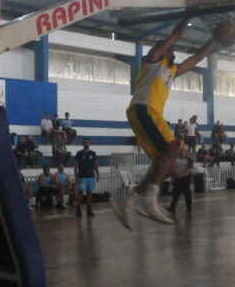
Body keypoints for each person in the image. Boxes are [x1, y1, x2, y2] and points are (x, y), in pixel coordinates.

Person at [112, 17, 219, 229]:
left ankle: (129, 200)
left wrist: (215, 41)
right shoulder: (153, 60)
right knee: (172, 149)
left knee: (163, 159)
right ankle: (150, 199)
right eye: (171, 49)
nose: (174, 52)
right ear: (161, 49)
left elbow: (197, 58)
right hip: (143, 108)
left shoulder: (172, 72)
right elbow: (175, 37)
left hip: (151, 114)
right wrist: (188, 15)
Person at [75, 138, 99, 217]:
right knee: (80, 193)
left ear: (89, 143)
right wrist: (76, 176)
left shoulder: (93, 153)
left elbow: (95, 165)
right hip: (82, 177)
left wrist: (97, 174)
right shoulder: (79, 153)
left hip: (91, 177)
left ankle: (89, 210)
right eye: (84, 142)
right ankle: (78, 209)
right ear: (82, 144)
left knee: (89, 193)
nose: (86, 144)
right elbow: (75, 166)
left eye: (87, 142)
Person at [167, 146, 194, 214]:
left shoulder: (189, 159)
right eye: (180, 152)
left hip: (186, 178)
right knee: (176, 193)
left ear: (185, 152)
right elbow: (172, 168)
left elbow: (189, 169)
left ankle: (189, 208)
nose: (181, 153)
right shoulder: (175, 159)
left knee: (187, 193)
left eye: (183, 152)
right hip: (177, 178)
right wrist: (173, 175)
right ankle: (172, 207)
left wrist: (182, 175)